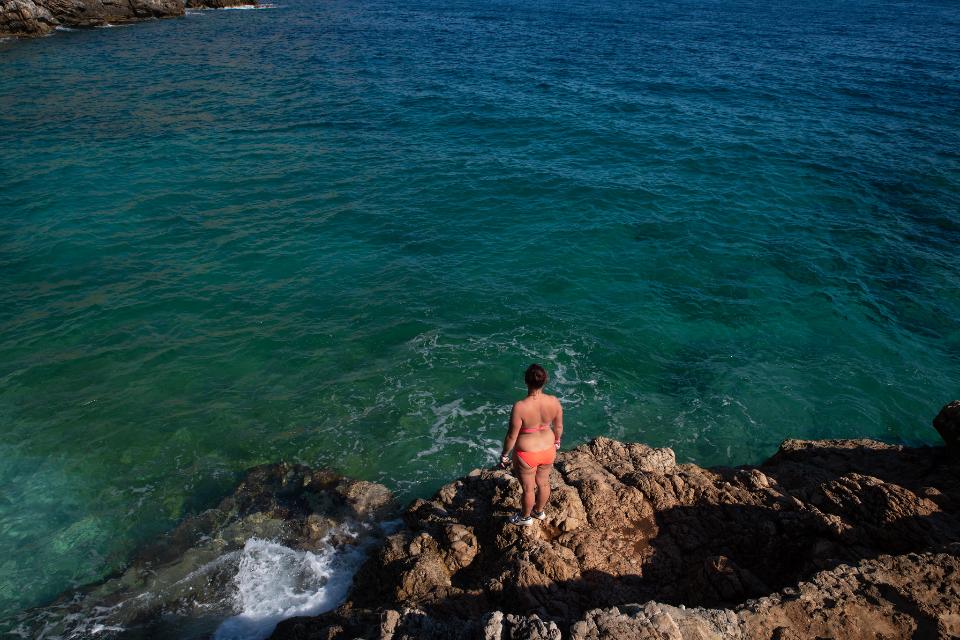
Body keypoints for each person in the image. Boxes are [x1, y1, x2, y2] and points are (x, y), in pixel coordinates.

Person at [499, 363, 563, 526]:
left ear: (526, 381)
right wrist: (557, 441)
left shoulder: (520, 406)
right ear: (545, 381)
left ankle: (525, 517)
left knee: (528, 488)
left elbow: (512, 436)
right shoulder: (554, 401)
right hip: (548, 450)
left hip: (527, 454)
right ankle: (539, 511)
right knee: (543, 482)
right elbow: (559, 427)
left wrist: (505, 454)